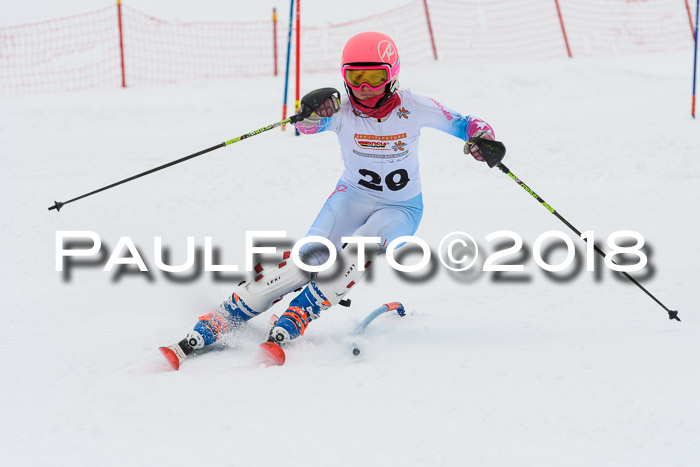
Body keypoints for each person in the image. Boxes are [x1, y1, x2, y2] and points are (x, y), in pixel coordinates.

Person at [159, 31, 497, 370]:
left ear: (392, 75)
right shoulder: (341, 110)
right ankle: (226, 314)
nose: (365, 87)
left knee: (359, 249)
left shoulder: (414, 107)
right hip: (352, 198)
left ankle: (300, 312)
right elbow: (305, 127)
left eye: (375, 77)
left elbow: (467, 124)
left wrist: (483, 140)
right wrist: (308, 111)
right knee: (311, 257)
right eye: (355, 76)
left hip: (401, 207)